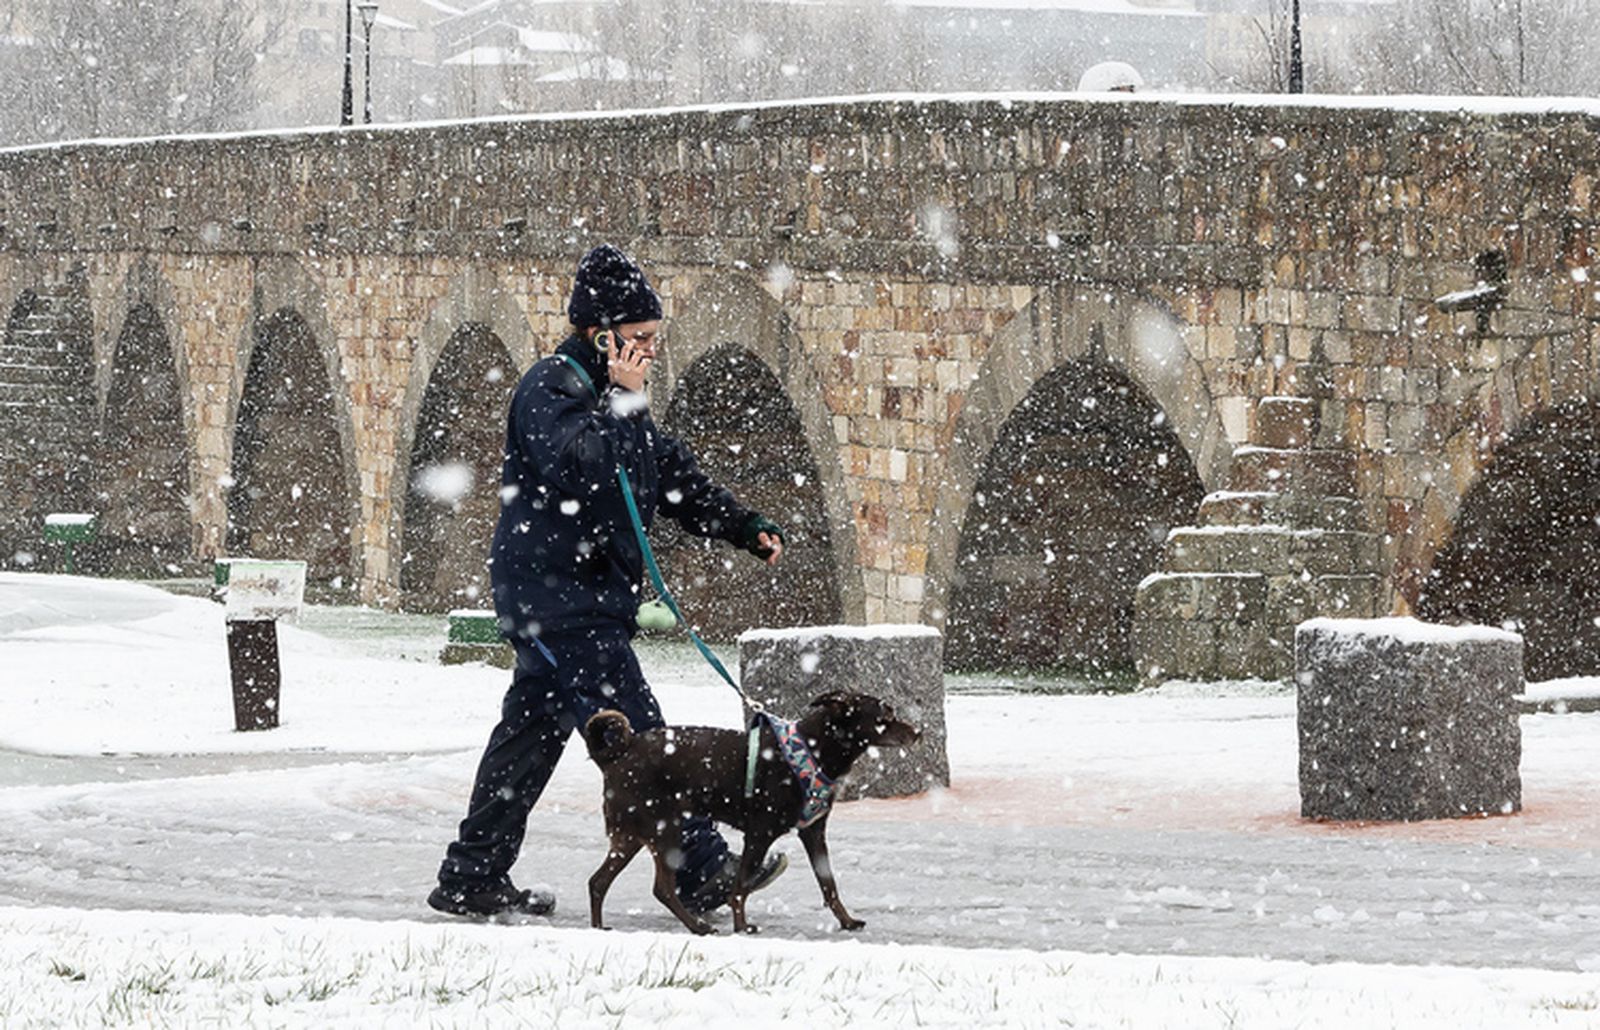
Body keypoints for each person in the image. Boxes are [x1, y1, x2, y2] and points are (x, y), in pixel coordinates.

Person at [428, 244, 788, 919]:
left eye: (655, 338)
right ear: (604, 335)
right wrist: (624, 403)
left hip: (577, 601)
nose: (652, 350)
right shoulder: (550, 388)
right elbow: (588, 471)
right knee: (644, 739)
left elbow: (669, 475)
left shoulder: (615, 399)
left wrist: (741, 524)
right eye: (642, 339)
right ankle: (704, 868)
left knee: (528, 743)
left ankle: (472, 874)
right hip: (558, 600)